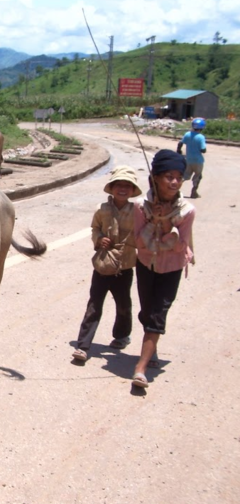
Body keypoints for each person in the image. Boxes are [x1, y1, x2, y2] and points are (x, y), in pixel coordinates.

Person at [131, 149, 195, 389]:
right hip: (146, 264)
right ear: (156, 178)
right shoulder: (139, 207)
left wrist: (166, 223)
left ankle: (140, 368)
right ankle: (151, 341)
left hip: (171, 268)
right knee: (147, 311)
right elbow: (139, 243)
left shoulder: (187, 211)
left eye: (179, 177)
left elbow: (179, 246)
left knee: (158, 315)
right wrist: (152, 222)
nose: (175, 182)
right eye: (169, 176)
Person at [72, 166, 142, 362]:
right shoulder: (101, 210)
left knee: (123, 304)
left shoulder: (138, 211)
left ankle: (121, 336)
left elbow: (143, 231)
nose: (123, 189)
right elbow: (94, 228)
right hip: (102, 266)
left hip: (125, 266)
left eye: (127, 186)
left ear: (132, 190)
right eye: (119, 185)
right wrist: (99, 238)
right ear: (111, 188)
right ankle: (83, 345)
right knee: (94, 304)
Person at [177, 117, 206, 199]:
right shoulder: (201, 137)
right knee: (198, 176)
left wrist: (179, 151)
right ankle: (194, 192)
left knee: (184, 176)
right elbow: (203, 150)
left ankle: (175, 189)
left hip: (188, 160)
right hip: (198, 161)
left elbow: (180, 143)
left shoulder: (187, 134)